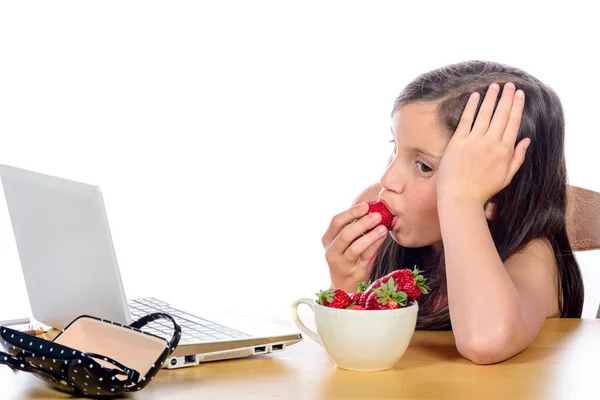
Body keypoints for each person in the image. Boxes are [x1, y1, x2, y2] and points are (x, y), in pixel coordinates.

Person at [321, 60, 584, 365]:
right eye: (396, 148)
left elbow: (484, 341)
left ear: (493, 193)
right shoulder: (387, 228)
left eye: (423, 166)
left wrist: (463, 199)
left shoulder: (533, 256)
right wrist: (348, 288)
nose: (387, 180)